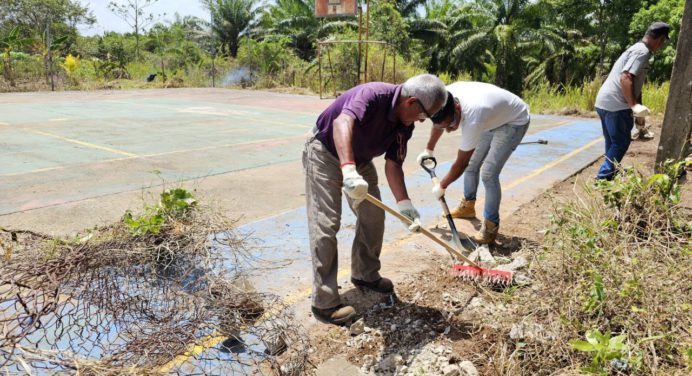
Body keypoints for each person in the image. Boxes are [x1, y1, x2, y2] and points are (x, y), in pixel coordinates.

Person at [303, 74, 447, 325]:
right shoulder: (372, 95)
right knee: (325, 225)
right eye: (424, 115)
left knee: (373, 216)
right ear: (412, 102)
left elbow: (393, 165)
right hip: (324, 154)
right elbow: (342, 123)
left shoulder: (405, 125)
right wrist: (348, 170)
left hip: (360, 161)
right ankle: (324, 303)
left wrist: (405, 205)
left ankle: (365, 274)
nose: (422, 121)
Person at [416, 82, 530, 245]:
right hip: (492, 116)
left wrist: (442, 185)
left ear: (457, 110)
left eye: (451, 125)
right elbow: (438, 123)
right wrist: (429, 150)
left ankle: (490, 227)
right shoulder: (443, 98)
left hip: (514, 120)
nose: (448, 130)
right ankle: (468, 207)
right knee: (473, 166)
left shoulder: (473, 118)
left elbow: (461, 163)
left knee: (488, 174)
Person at [594, 21, 670, 180]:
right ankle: (602, 178)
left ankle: (609, 176)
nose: (661, 46)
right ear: (660, 39)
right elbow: (626, 77)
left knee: (613, 143)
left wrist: (638, 115)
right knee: (620, 143)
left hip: (604, 102)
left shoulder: (636, 48)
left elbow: (635, 85)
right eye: (663, 42)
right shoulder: (642, 52)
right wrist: (633, 105)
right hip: (616, 104)